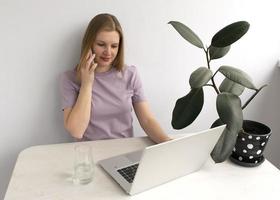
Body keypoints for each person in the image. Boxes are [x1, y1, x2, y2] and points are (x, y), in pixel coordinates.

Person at [60, 13, 171, 143]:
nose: (108, 52)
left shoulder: (130, 74)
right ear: (89, 44)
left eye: (114, 46)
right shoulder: (69, 79)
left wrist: (167, 142)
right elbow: (76, 131)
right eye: (101, 44)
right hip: (88, 156)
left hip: (124, 153)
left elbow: (147, 120)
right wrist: (87, 84)